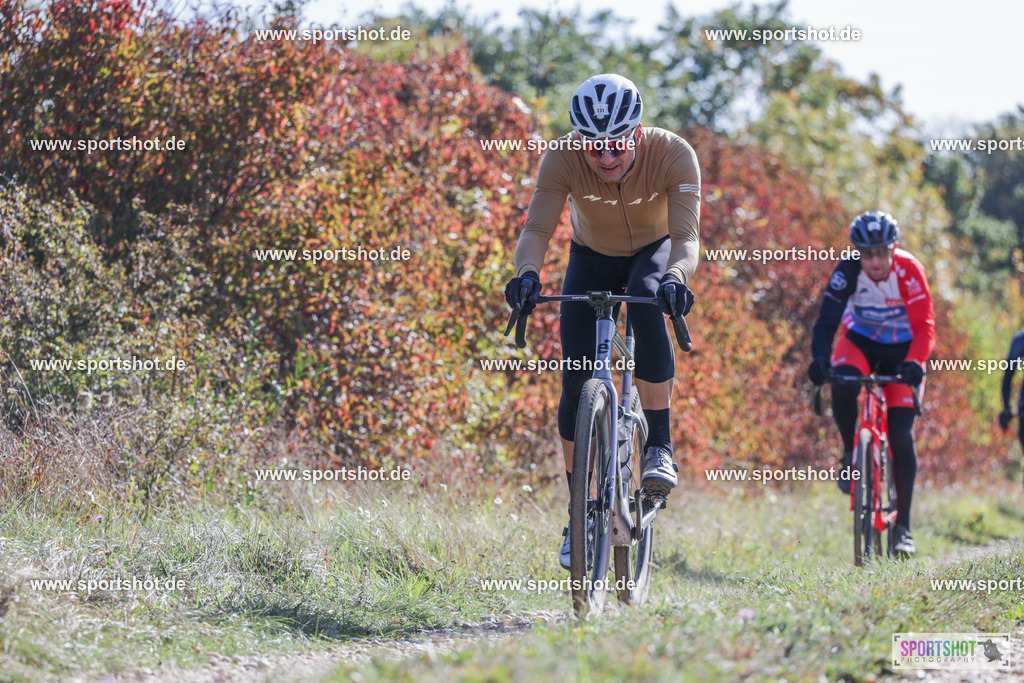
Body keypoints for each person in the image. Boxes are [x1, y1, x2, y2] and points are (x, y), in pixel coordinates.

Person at [503, 74, 701, 569]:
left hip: (654, 253)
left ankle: (659, 445)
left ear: (636, 135)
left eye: (616, 146)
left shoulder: (673, 153)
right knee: (575, 381)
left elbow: (687, 239)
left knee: (647, 298)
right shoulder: (562, 157)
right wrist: (526, 275)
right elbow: (536, 231)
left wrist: (676, 276)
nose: (606, 158)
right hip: (590, 256)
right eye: (594, 149)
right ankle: (578, 512)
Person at [807, 211, 935, 558]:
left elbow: (925, 326)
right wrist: (819, 359)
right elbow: (826, 322)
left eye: (882, 252)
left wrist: (915, 363)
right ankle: (851, 452)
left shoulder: (909, 270)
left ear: (893, 249)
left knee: (900, 435)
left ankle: (903, 526)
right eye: (868, 254)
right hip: (861, 340)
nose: (875, 261)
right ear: (858, 253)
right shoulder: (848, 270)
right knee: (843, 383)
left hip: (903, 351)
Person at [998, 330, 1024, 454]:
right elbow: (1008, 376)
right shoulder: (1020, 340)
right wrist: (1006, 407)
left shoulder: (1020, 340)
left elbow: (1008, 376)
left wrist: (1006, 407)